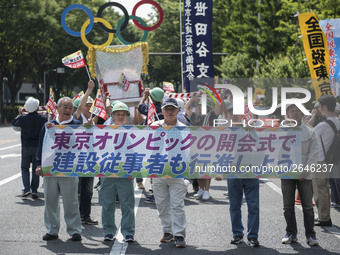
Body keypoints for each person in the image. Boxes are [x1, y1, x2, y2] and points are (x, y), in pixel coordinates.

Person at [35, 97, 82, 241]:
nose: (68, 110)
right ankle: (52, 230)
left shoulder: (77, 126)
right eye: (65, 107)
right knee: (50, 201)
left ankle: (74, 230)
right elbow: (41, 146)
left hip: (69, 169)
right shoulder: (49, 125)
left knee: (71, 201)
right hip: (50, 168)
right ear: (57, 108)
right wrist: (38, 164)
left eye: (70, 108)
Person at [281, 103, 319, 246]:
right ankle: (291, 233)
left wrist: (307, 169)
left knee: (308, 207)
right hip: (287, 174)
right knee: (288, 206)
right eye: (292, 111)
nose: (295, 113)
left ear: (303, 114)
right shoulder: (280, 131)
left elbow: (314, 153)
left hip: (305, 174)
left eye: (298, 111)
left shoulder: (310, 132)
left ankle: (311, 235)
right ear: (287, 114)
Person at [151, 98, 187, 248]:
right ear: (162, 111)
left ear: (178, 111)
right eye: (167, 109)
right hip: (158, 173)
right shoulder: (153, 127)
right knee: (162, 205)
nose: (170, 112)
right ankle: (167, 232)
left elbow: (190, 152)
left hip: (177, 173)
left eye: (172, 109)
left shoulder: (185, 129)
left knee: (177, 205)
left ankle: (179, 235)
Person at [99, 102, 135, 242]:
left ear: (127, 116)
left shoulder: (134, 131)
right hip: (107, 172)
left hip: (126, 174)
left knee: (127, 205)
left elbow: (137, 153)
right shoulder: (104, 130)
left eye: (123, 114)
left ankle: (128, 232)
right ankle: (109, 231)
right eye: (117, 114)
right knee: (107, 204)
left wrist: (134, 170)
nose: (120, 116)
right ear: (112, 116)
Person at [226, 104, 260, 247]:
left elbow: (260, 147)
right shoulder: (222, 131)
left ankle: (252, 236)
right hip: (233, 173)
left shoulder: (249, 129)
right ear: (227, 115)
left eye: (237, 112)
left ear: (242, 115)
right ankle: (237, 234)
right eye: (231, 112)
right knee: (235, 206)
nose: (234, 115)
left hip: (250, 172)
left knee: (253, 206)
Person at [73, 80, 98, 225]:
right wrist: (89, 89)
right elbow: (80, 106)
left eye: (91, 105)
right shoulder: (76, 118)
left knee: (88, 190)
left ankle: (85, 216)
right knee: (78, 190)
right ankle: (76, 216)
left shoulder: (91, 119)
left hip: (90, 158)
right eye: (86, 105)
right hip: (77, 158)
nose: (88, 107)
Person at [12, 97, 47, 198]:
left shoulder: (23, 118)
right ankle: (35, 190)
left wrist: (19, 114)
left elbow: (14, 125)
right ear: (37, 107)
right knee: (36, 168)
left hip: (26, 146)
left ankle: (27, 189)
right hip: (37, 146)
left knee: (24, 168)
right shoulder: (42, 119)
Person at [313, 95, 340, 227]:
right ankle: (324, 216)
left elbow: (309, 135)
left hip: (320, 160)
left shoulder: (324, 125)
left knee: (320, 189)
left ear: (324, 107)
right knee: (324, 188)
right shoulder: (337, 121)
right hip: (330, 159)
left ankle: (324, 218)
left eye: (319, 106)